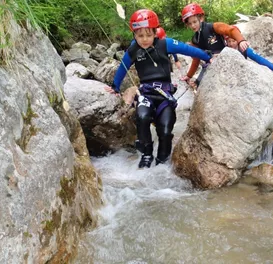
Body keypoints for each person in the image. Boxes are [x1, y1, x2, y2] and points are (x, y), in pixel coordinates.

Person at [105, 9, 212, 169]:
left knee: (166, 128)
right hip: (146, 94)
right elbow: (123, 68)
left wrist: (208, 57)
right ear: (134, 35)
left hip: (165, 96)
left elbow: (189, 50)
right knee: (142, 117)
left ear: (155, 32)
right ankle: (147, 154)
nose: (145, 39)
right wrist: (115, 86)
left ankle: (162, 159)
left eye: (149, 35)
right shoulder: (133, 50)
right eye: (140, 36)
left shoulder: (165, 44)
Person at [180, 3, 249, 86]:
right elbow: (196, 58)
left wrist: (241, 40)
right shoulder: (195, 39)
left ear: (201, 18)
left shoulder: (213, 27)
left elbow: (231, 30)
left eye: (194, 22)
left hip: (226, 56)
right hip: (210, 64)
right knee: (198, 83)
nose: (193, 25)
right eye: (190, 24)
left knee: (242, 51)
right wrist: (189, 75)